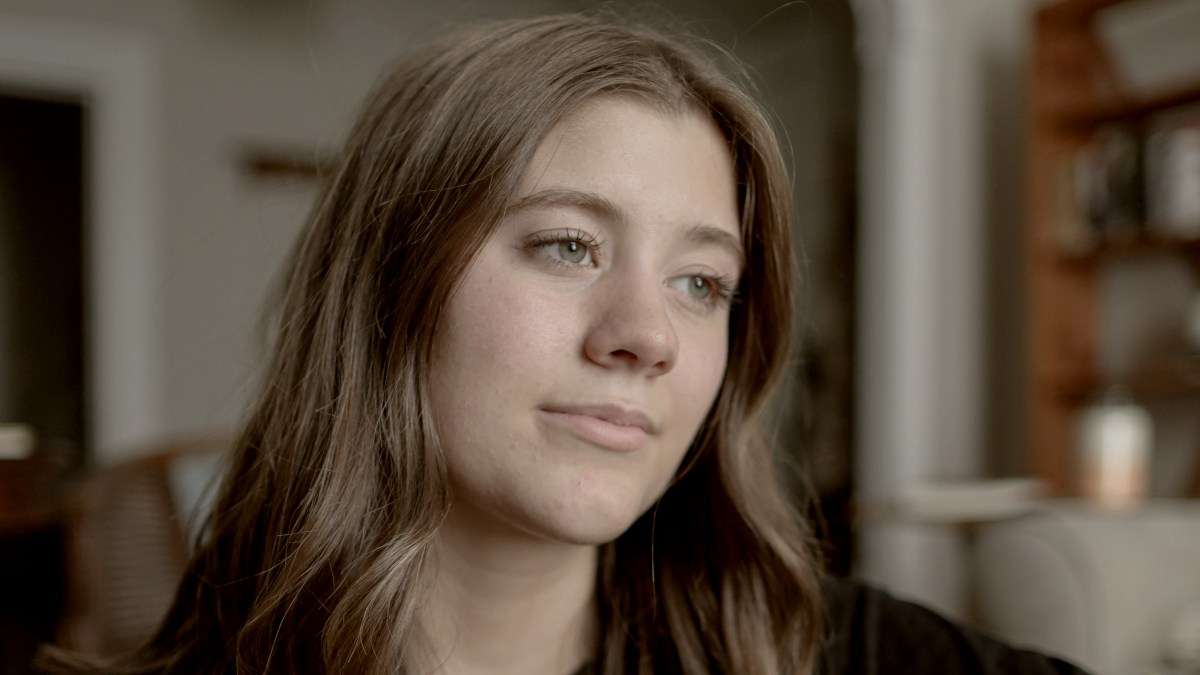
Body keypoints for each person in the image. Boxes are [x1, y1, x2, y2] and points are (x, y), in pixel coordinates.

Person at [41, 13, 1088, 675]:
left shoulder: (824, 651)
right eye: (567, 245)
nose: (647, 338)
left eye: (701, 282)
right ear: (388, 286)